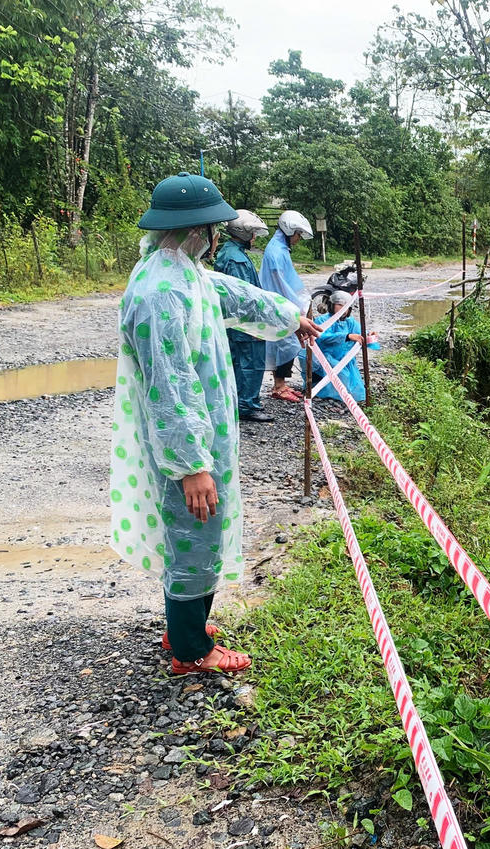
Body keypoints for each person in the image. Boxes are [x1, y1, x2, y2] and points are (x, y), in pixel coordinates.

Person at [110, 172, 320, 674]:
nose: (215, 238)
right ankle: (190, 651)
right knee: (194, 530)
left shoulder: (183, 273)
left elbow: (236, 296)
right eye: (212, 229)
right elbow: (169, 385)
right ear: (195, 230)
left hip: (206, 435)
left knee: (199, 528)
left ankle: (187, 626)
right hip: (188, 445)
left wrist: (290, 316)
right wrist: (191, 466)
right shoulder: (160, 292)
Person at [213, 210, 273, 423]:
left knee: (238, 362)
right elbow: (242, 296)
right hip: (243, 323)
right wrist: (256, 323)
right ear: (243, 232)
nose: (254, 238)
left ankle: (239, 402)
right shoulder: (236, 259)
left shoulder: (229, 252)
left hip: (233, 322)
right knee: (250, 363)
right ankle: (247, 405)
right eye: (252, 233)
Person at [259, 210, 315, 402]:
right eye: (298, 234)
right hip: (280, 304)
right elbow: (282, 284)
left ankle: (279, 384)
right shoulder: (277, 252)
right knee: (287, 343)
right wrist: (299, 306)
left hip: (279, 303)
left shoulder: (279, 249)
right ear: (290, 231)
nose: (298, 239)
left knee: (282, 343)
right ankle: (279, 386)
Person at [309, 290, 377, 402]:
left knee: (355, 388)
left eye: (346, 306)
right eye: (340, 305)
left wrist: (369, 335)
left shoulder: (350, 322)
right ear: (332, 305)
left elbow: (360, 334)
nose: (343, 309)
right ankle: (327, 393)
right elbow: (322, 337)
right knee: (342, 375)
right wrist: (346, 336)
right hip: (325, 357)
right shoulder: (322, 320)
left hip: (345, 359)